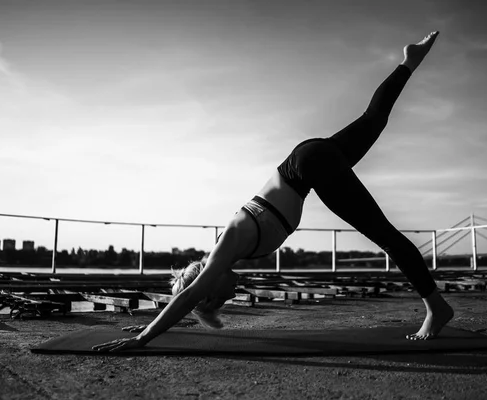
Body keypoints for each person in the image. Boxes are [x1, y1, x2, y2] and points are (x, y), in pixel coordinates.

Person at [93, 31, 454, 352]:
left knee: (385, 235)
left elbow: (190, 296)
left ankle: (437, 307)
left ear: (207, 282)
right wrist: (153, 324)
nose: (232, 294)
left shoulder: (228, 243)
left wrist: (144, 339)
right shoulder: (229, 249)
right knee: (373, 119)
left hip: (310, 166)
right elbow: (190, 299)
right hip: (307, 159)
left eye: (220, 296)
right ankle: (409, 61)